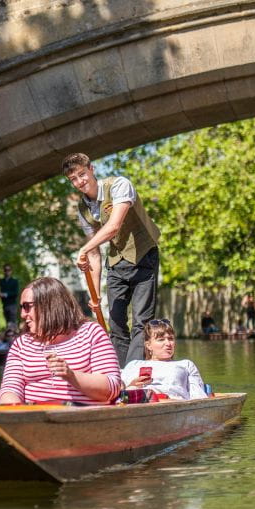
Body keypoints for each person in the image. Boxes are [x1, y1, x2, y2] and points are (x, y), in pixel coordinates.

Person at [63, 153, 161, 366]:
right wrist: (95, 294)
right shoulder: (83, 208)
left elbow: (114, 226)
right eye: (74, 179)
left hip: (143, 255)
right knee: (116, 324)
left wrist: (86, 247)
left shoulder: (119, 185)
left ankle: (134, 373)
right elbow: (94, 253)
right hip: (117, 263)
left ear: (92, 169)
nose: (80, 182)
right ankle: (118, 377)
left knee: (141, 322)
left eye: (82, 174)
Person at [0, 277, 122, 405]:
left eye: (27, 307)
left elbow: (111, 388)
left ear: (47, 305)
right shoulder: (21, 345)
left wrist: (71, 375)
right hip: (37, 419)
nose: (23, 315)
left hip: (83, 418)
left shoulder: (91, 333)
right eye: (22, 308)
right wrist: (14, 413)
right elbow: (10, 389)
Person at [121, 318, 209, 400]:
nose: (168, 343)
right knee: (132, 390)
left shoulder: (185, 364)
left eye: (170, 339)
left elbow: (198, 396)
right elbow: (118, 393)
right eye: (161, 339)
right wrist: (131, 385)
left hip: (173, 405)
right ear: (148, 345)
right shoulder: (134, 364)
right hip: (138, 403)